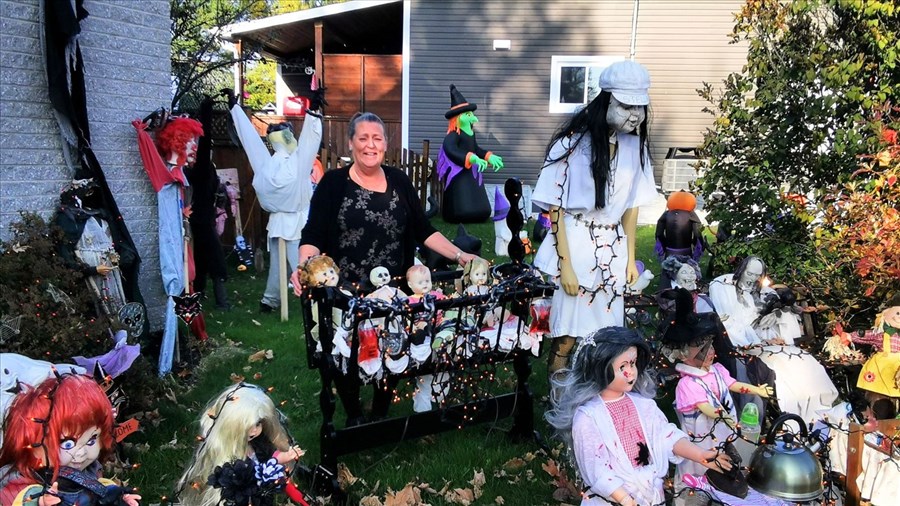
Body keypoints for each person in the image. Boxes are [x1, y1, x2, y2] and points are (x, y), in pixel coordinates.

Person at [532, 60, 659, 377]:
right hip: (576, 246)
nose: (635, 115)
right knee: (566, 336)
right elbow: (556, 209)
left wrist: (630, 259)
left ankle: (598, 395)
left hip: (612, 252)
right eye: (626, 106)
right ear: (607, 101)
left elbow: (631, 208)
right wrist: (566, 265)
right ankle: (559, 399)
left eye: (640, 107)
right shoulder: (572, 145)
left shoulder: (636, 149)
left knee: (608, 334)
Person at [545, 327, 732, 506]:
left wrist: (699, 454)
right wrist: (625, 499)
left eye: (633, 364)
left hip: (650, 494)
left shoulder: (644, 405)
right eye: (622, 366)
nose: (630, 372)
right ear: (600, 368)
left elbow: (666, 436)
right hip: (614, 500)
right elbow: (595, 467)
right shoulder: (588, 417)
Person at [297, 112, 476, 286]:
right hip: (346, 296)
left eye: (377, 138)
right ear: (350, 143)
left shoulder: (399, 180)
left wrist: (460, 255)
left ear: (385, 144)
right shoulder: (332, 183)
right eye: (363, 138)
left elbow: (424, 230)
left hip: (396, 295)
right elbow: (314, 234)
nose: (371, 145)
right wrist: (305, 268)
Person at [660, 288, 773, 485]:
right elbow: (704, 407)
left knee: (725, 463)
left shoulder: (717, 370)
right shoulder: (687, 383)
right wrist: (722, 415)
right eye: (703, 349)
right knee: (700, 469)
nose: (711, 352)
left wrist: (757, 390)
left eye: (711, 346)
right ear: (685, 355)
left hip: (723, 433)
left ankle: (723, 486)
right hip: (700, 439)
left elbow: (733, 385)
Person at [709, 256, 839, 423]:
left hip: (765, 343)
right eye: (749, 273)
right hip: (745, 344)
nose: (752, 279)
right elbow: (732, 324)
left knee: (804, 361)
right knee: (783, 365)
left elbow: (775, 307)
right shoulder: (723, 287)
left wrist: (774, 316)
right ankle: (789, 413)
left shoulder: (759, 293)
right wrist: (757, 341)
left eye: (757, 275)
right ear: (741, 270)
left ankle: (816, 406)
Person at [229, 86, 324, 314]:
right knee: (303, 263)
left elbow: (250, 140)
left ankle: (271, 299)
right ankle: (311, 300)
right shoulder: (295, 163)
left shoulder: (264, 162)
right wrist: (313, 113)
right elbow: (310, 141)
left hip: (280, 222)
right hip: (296, 221)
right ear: (289, 138)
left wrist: (235, 109)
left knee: (280, 266)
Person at [133, 115, 208, 374]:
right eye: (190, 141)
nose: (194, 147)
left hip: (182, 236)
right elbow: (151, 160)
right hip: (172, 241)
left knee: (190, 280)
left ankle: (197, 337)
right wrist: (142, 134)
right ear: (176, 142)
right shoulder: (165, 173)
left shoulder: (180, 174)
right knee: (179, 284)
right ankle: (170, 359)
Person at [0, 374, 141, 506]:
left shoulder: (88, 469)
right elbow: (13, 496)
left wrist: (118, 496)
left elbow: (98, 487)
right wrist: (38, 501)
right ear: (32, 441)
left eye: (91, 440)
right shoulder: (21, 476)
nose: (81, 453)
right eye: (67, 444)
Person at [176, 383, 307, 506]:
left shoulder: (258, 443)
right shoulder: (227, 454)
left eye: (258, 423)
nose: (254, 430)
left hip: (259, 491)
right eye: (248, 426)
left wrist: (286, 455)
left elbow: (271, 456)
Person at [436, 84, 504, 223]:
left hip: (471, 173)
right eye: (468, 114)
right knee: (461, 202)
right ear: (458, 118)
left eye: (472, 114)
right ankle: (459, 213)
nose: (473, 117)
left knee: (479, 203)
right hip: (458, 174)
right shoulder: (452, 135)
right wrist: (471, 158)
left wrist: (488, 156)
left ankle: (479, 211)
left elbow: (475, 149)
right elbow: (451, 150)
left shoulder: (470, 134)